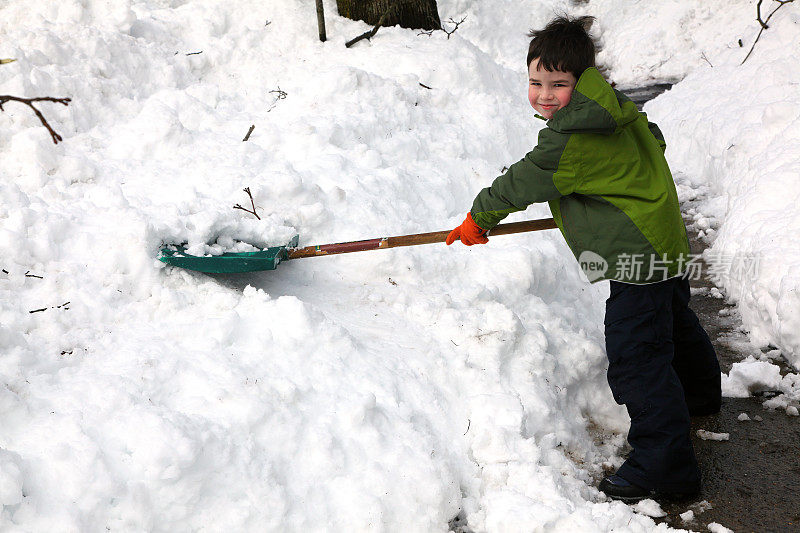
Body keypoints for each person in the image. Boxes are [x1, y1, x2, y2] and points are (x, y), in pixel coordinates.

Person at [446, 15, 721, 502]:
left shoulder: (570, 138)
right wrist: (607, 190)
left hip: (634, 252)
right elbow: (653, 140)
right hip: (663, 238)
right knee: (672, 320)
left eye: (559, 83)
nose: (545, 95)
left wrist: (479, 218)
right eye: (536, 82)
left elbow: (523, 181)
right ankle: (699, 393)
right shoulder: (615, 109)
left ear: (582, 82)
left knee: (637, 356)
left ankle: (666, 468)